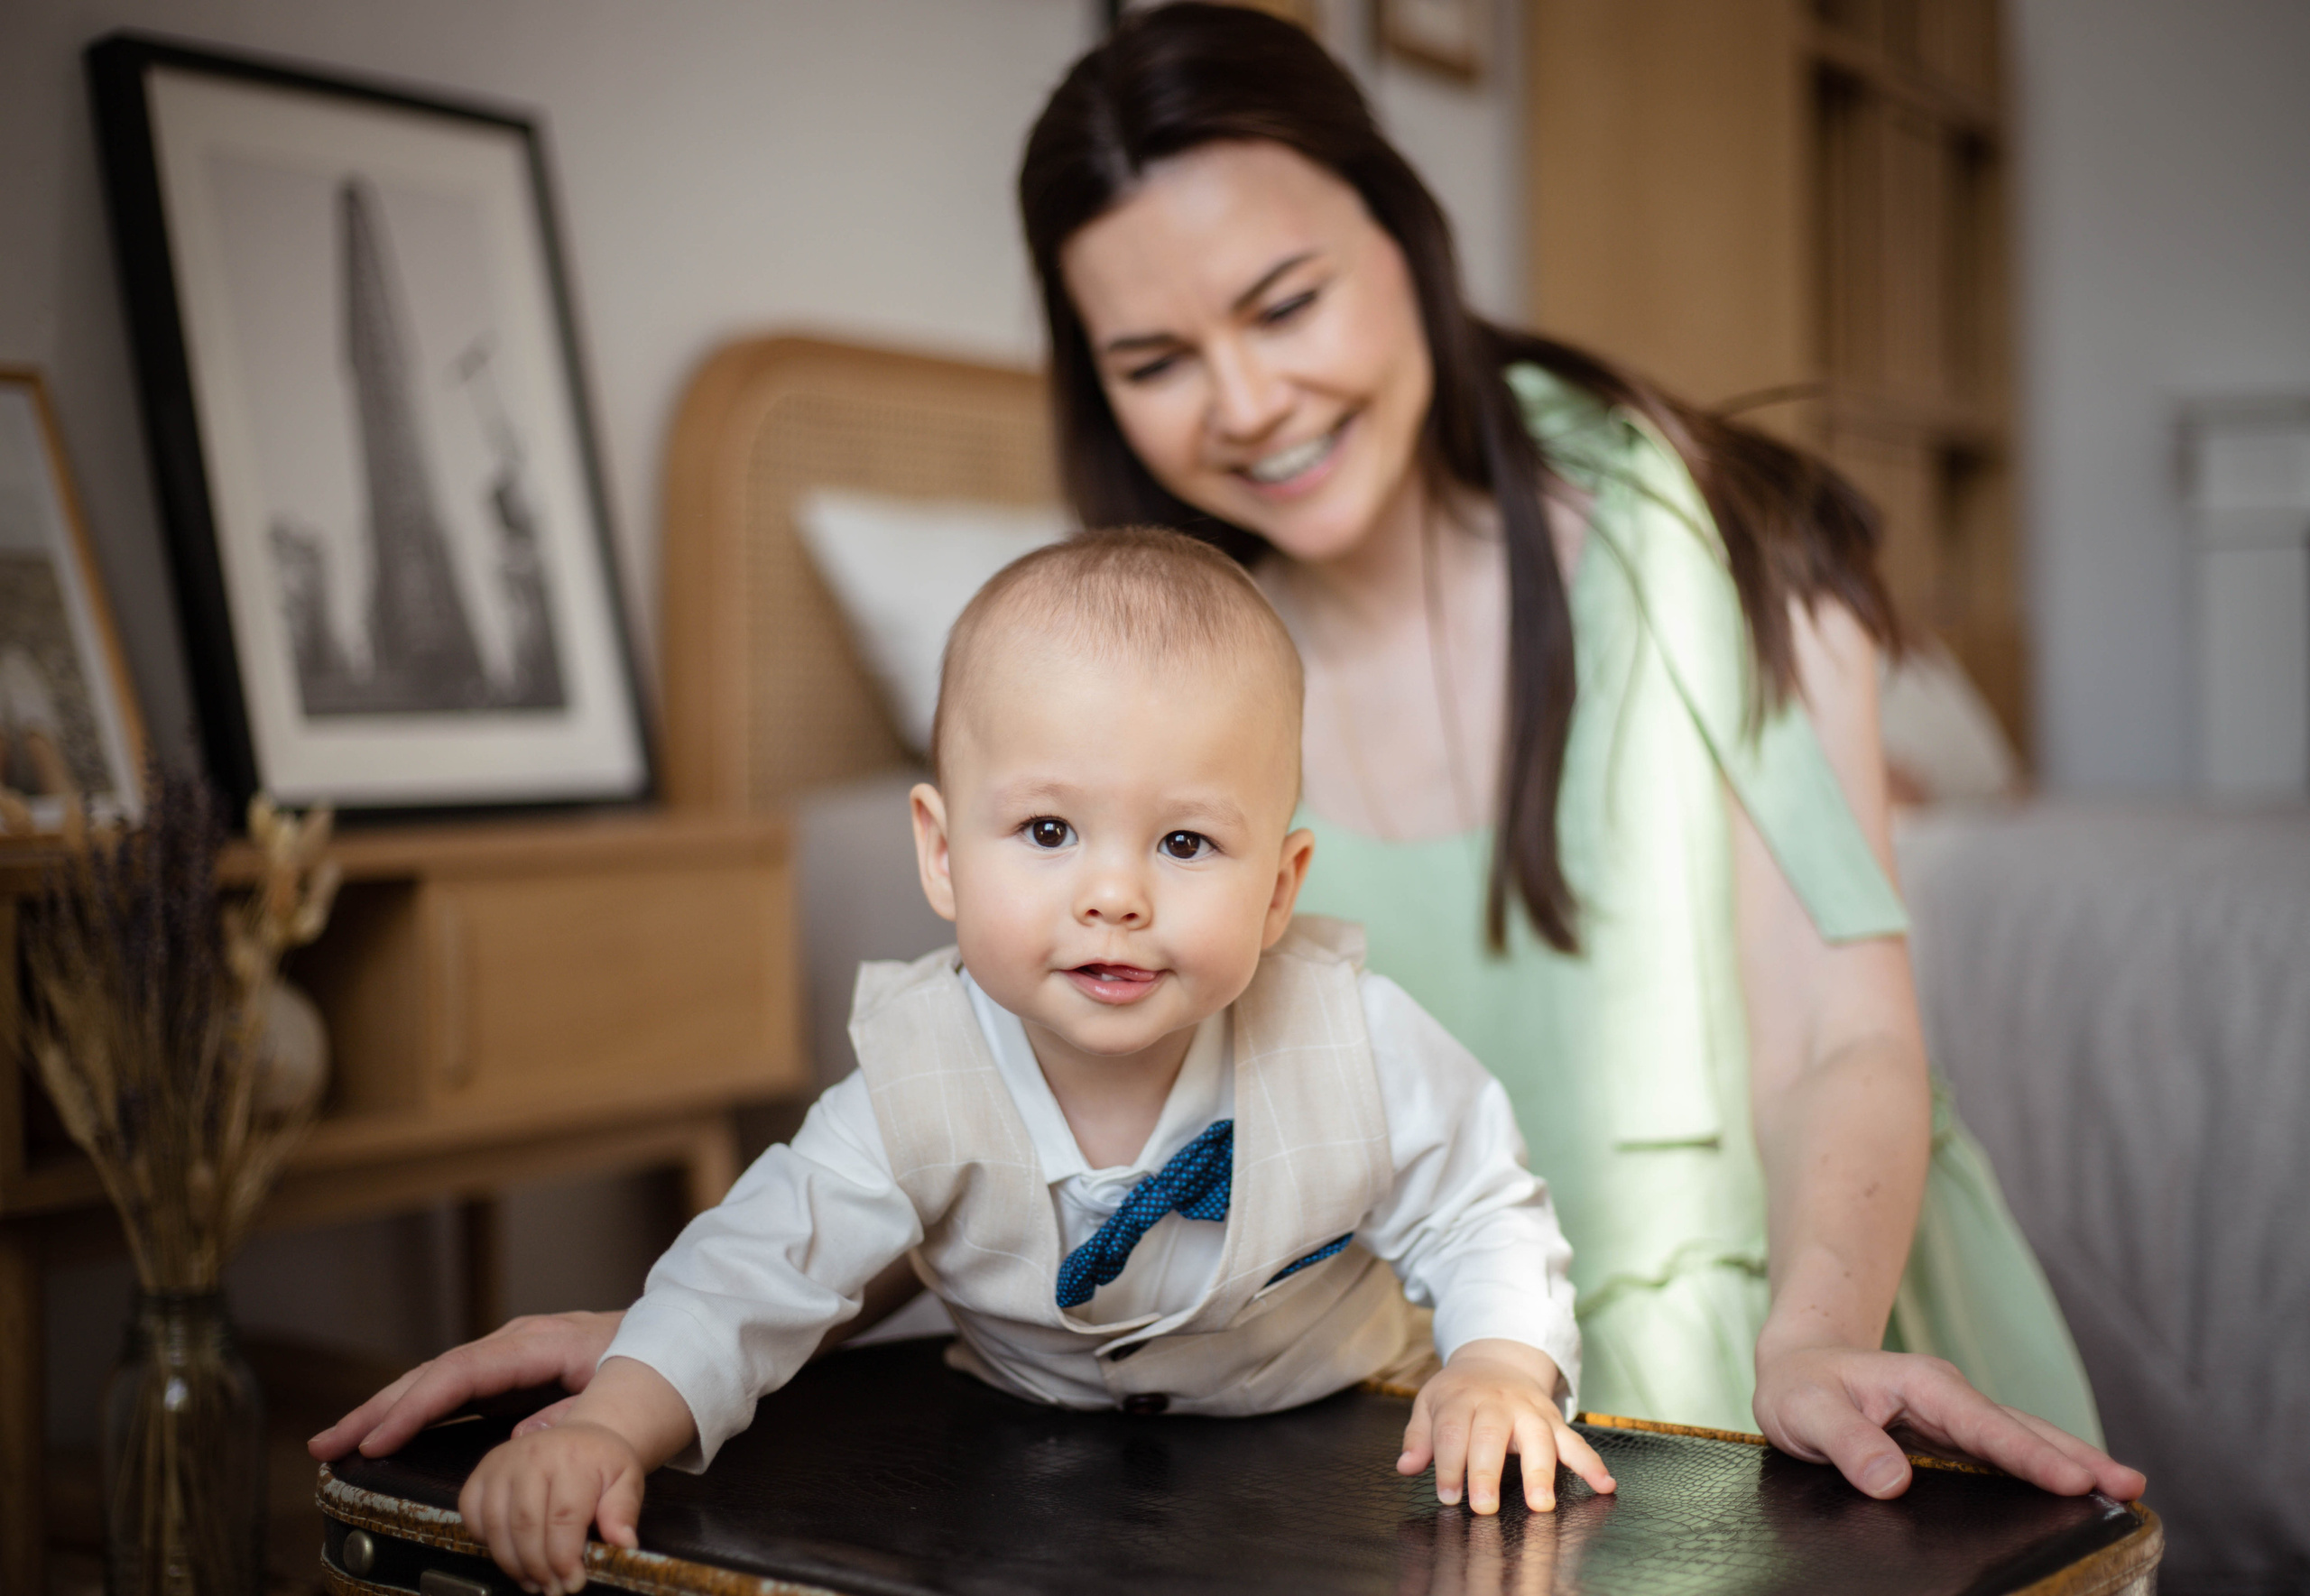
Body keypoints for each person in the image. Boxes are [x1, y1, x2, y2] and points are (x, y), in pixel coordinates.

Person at [315, 4, 2143, 1508]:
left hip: (1763, 1338)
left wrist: (1812, 1333)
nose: (1247, 403)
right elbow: (1052, 1162)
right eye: (1153, 356)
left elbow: (1840, 1037)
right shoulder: (1160, 697)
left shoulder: (1706, 548)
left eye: (1282, 304)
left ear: (1400, 234)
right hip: (1395, 1431)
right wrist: (680, 1350)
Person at [448, 530, 1614, 1595]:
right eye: (1049, 831)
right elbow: (755, 1269)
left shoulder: (1351, 1038)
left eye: (1185, 840)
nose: (1114, 894)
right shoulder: (915, 1078)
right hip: (1033, 1474)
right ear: (943, 855)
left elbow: (1478, 1205)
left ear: (1279, 888)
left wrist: (1500, 1365)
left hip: (1341, 1432)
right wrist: (610, 1423)